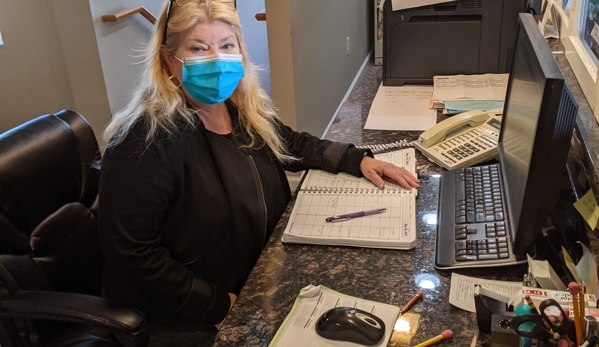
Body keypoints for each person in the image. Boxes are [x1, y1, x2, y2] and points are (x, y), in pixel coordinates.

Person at [97, 0, 420, 344]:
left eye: (226, 46)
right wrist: (217, 304)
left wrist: (356, 159)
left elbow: (291, 143)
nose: (216, 59)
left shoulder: (237, 110)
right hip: (185, 316)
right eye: (198, 48)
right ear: (168, 60)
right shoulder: (143, 141)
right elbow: (133, 255)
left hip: (256, 278)